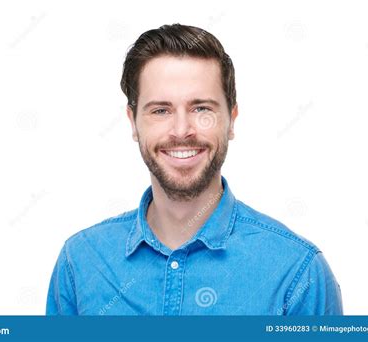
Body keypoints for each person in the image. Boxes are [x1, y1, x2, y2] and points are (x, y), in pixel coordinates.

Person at [46, 23, 343, 315]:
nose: (181, 130)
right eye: (160, 110)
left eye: (201, 108)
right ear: (133, 122)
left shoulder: (298, 274)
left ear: (232, 120)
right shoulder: (80, 262)